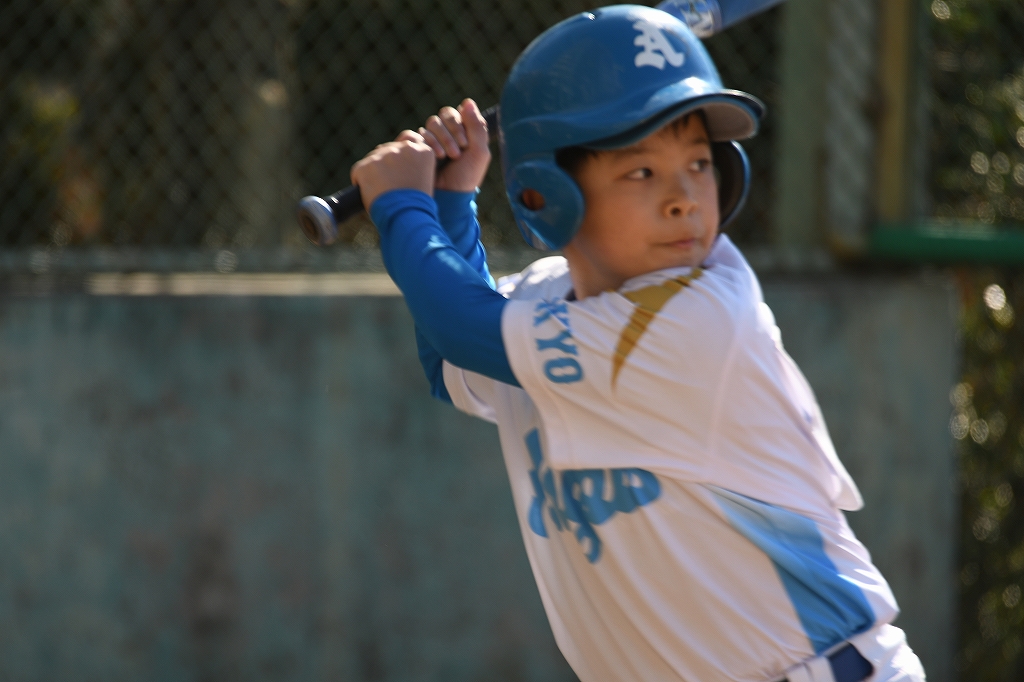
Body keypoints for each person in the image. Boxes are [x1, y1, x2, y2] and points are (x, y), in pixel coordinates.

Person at [349, 5, 926, 681]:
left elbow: (460, 326)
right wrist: (451, 200)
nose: (685, 198)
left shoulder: (700, 317)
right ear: (545, 194)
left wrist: (401, 206)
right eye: (641, 172)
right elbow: (448, 356)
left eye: (699, 163)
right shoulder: (543, 302)